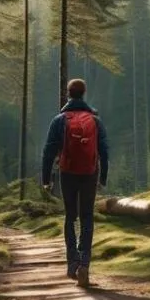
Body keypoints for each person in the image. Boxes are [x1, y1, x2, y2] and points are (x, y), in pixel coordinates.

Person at [41, 78, 109, 287]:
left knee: (71, 217)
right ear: (83, 93)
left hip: (67, 172)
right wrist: (103, 177)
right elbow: (104, 151)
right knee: (87, 217)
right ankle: (85, 264)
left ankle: (72, 263)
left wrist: (46, 179)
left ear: (68, 94)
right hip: (90, 173)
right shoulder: (95, 121)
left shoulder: (59, 120)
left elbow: (48, 151)